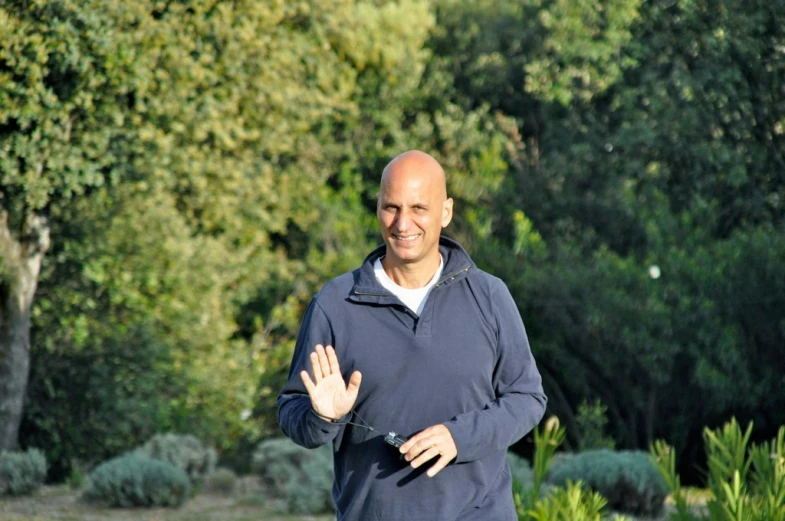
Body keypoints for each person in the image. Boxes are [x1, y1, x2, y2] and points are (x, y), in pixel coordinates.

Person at [277, 150, 547, 521]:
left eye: (419, 208)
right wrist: (323, 418)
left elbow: (527, 397)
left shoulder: (489, 295)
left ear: (446, 212)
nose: (403, 224)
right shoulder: (335, 304)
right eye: (392, 207)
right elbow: (293, 411)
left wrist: (460, 438)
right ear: (378, 208)